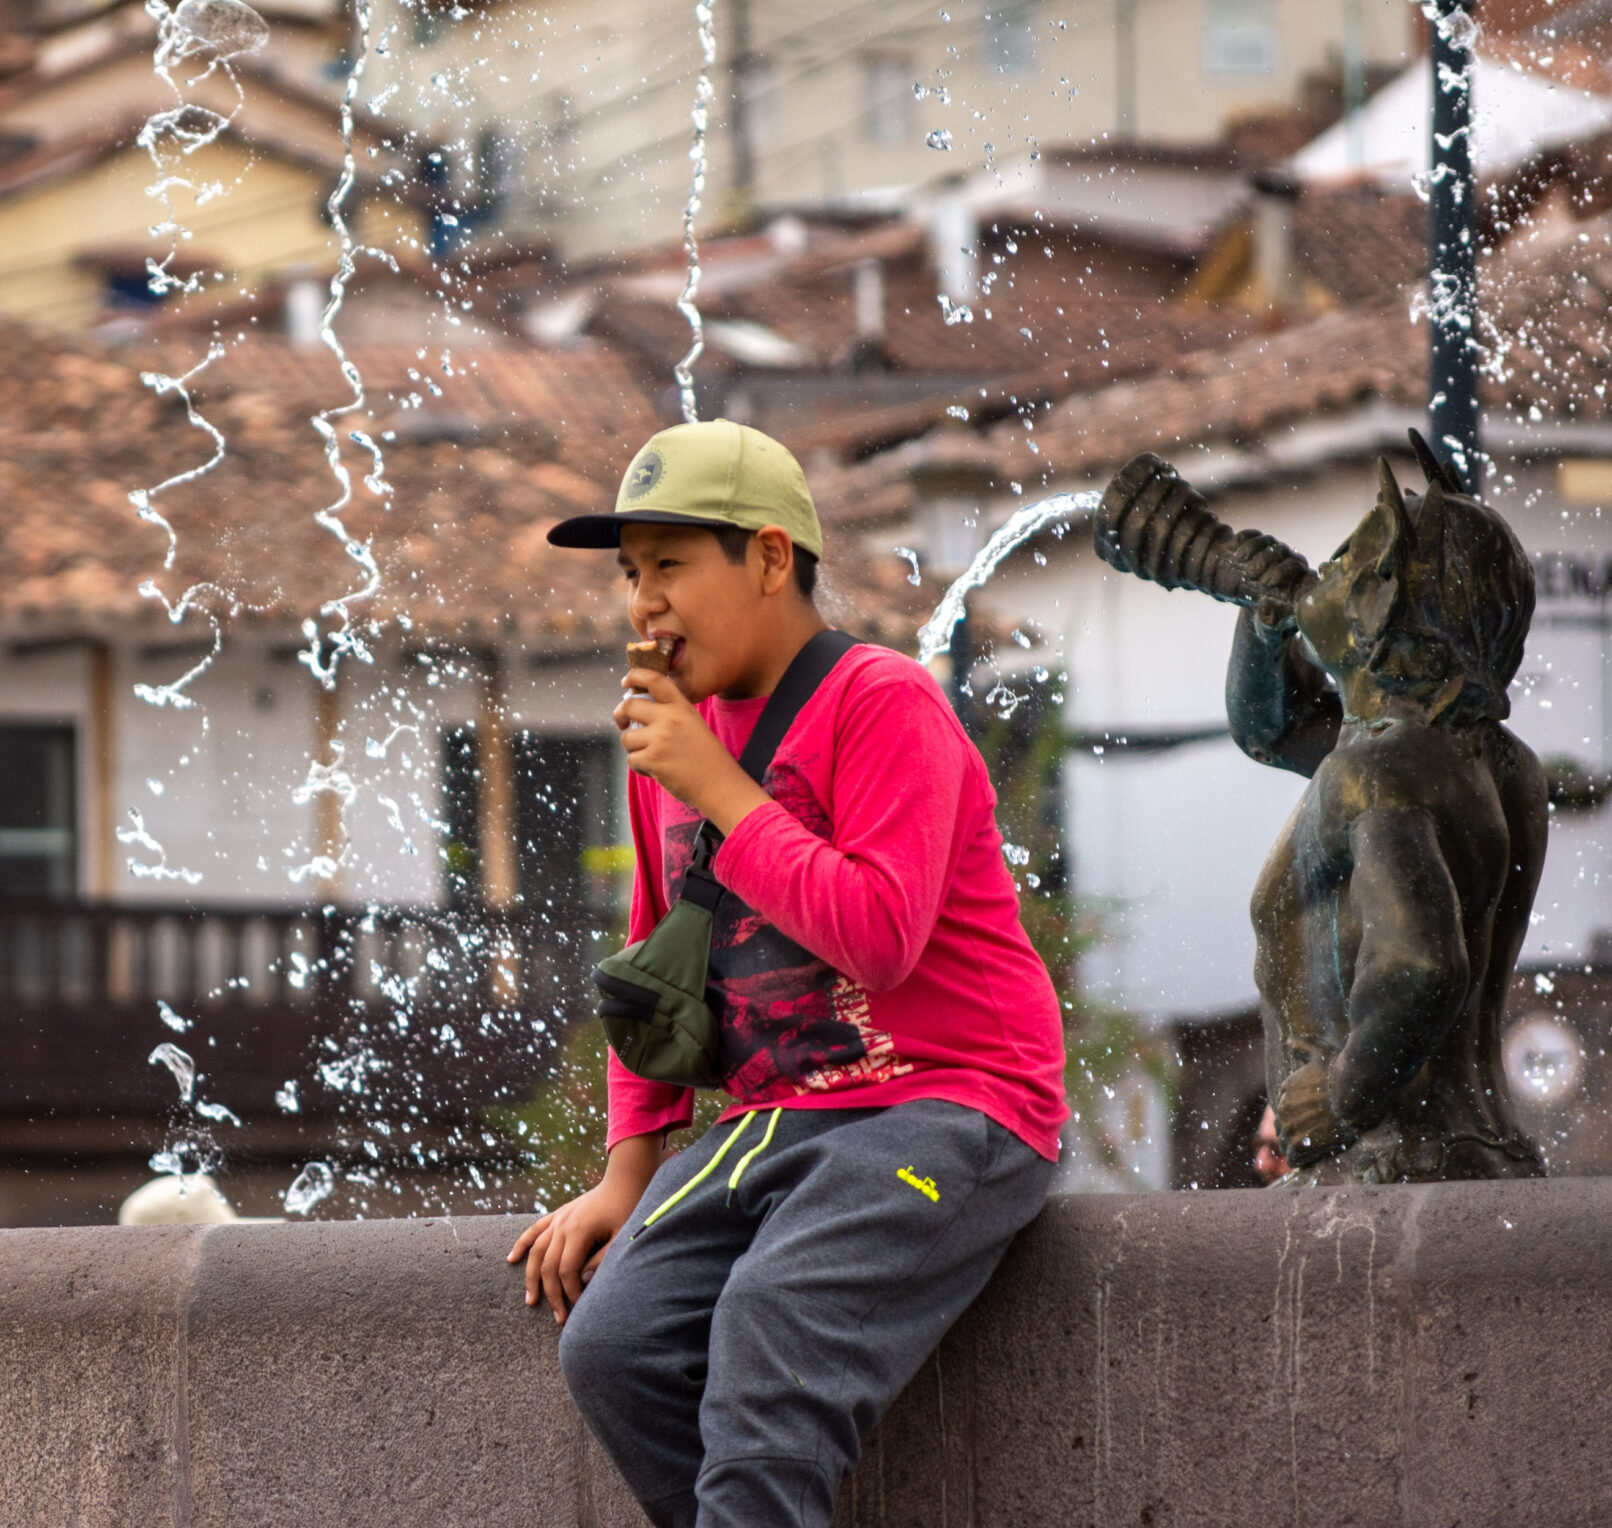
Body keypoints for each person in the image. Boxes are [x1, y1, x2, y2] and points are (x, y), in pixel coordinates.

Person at [508, 419, 1067, 1528]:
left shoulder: (882, 701)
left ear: (768, 560)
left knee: (767, 1322)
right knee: (611, 1347)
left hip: (954, 1102)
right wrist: (628, 1173)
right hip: (779, 1124)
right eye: (631, 573)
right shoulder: (677, 742)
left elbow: (878, 936)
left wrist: (721, 786)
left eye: (670, 564)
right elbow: (651, 963)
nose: (642, 603)